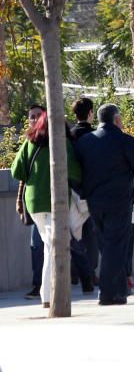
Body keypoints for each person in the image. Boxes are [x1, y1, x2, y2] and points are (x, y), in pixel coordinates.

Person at [75, 104, 134, 305]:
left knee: (107, 246)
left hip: (94, 202)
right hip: (118, 202)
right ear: (117, 119)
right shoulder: (122, 140)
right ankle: (108, 293)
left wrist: (83, 191)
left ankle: (119, 291)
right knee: (115, 247)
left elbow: (73, 171)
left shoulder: (85, 142)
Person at [11, 110, 83, 309]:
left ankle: (48, 293)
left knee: (48, 245)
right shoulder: (63, 143)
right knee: (55, 247)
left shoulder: (30, 142)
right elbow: (76, 173)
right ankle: (48, 294)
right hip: (55, 201)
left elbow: (16, 171)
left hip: (33, 202)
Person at [68, 97, 99, 291]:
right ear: (90, 113)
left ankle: (75, 269)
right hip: (91, 191)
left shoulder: (69, 135)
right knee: (91, 234)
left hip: (72, 190)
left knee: (74, 233)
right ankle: (90, 272)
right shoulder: (95, 135)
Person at [22, 104, 45, 300]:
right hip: (35, 204)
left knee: (38, 245)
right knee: (37, 246)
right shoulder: (28, 141)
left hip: (43, 203)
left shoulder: (53, 140)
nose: (34, 119)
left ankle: (40, 287)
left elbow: (17, 171)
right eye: (31, 117)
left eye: (38, 116)